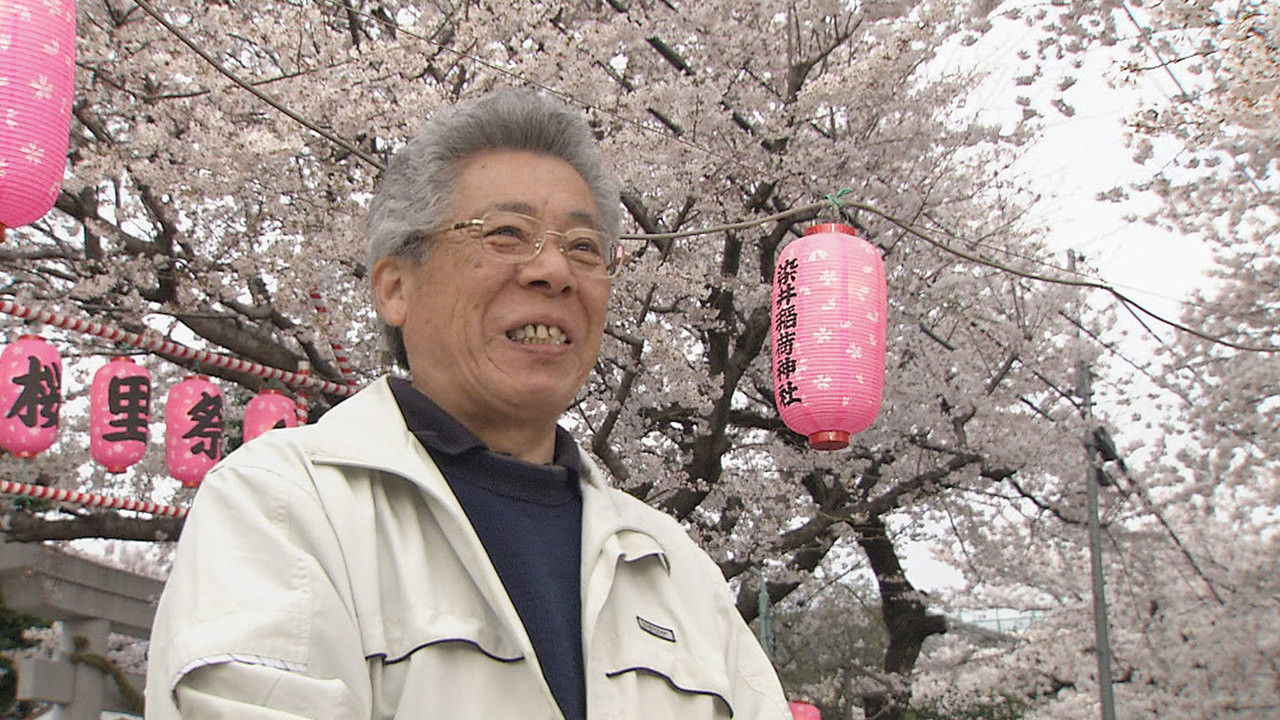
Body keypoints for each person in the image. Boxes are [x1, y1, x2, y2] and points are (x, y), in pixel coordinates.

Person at [144, 88, 791, 720]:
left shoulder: (672, 564)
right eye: (507, 233)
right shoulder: (284, 504)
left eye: (583, 247)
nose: (555, 271)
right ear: (396, 288)